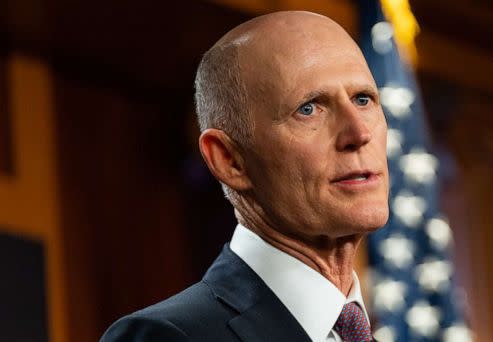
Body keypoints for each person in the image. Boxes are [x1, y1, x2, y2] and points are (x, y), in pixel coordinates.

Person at [101, 10, 389, 342]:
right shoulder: (167, 337)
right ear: (229, 161)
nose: (358, 132)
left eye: (363, 99)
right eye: (309, 108)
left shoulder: (361, 332)